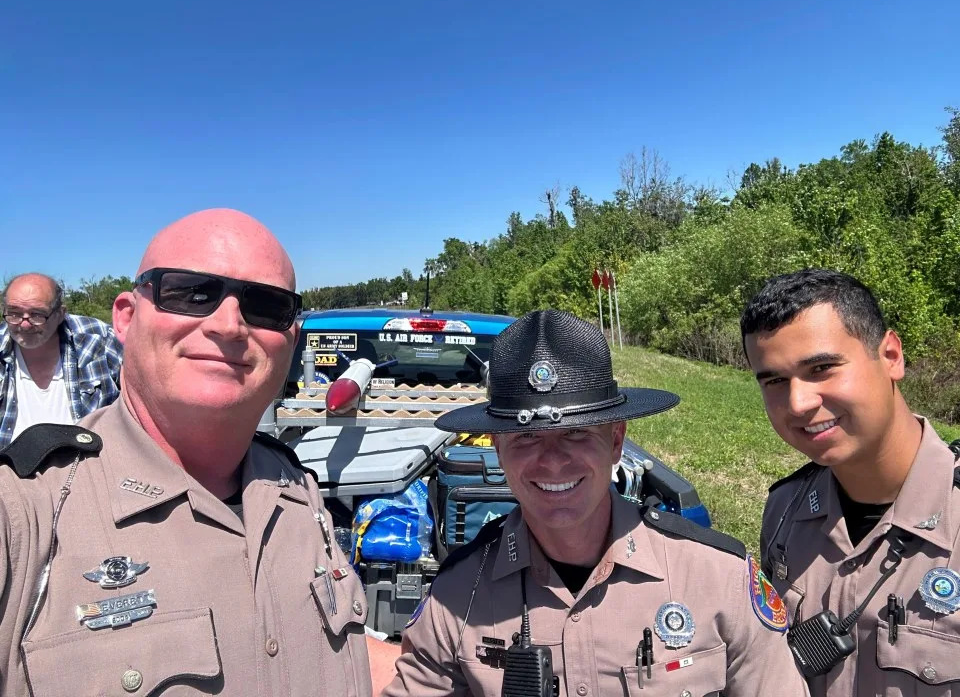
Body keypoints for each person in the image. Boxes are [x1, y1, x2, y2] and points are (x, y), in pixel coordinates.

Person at [0, 209, 382, 695]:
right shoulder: (26, 511)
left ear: (289, 338)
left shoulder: (296, 490)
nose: (229, 325)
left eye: (265, 305)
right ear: (126, 317)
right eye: (191, 293)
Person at [383, 309, 809, 697]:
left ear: (616, 440)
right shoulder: (457, 596)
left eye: (576, 433)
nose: (553, 461)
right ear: (497, 448)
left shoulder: (717, 579)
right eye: (526, 436)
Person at [741, 268, 960, 696]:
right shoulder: (785, 510)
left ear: (891, 356)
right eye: (775, 381)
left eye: (822, 368)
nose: (798, 403)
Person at [0, 273, 122, 448]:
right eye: (14, 313)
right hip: (9, 461)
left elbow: (143, 398)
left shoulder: (98, 338)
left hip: (91, 457)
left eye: (37, 314)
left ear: (60, 314)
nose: (24, 324)